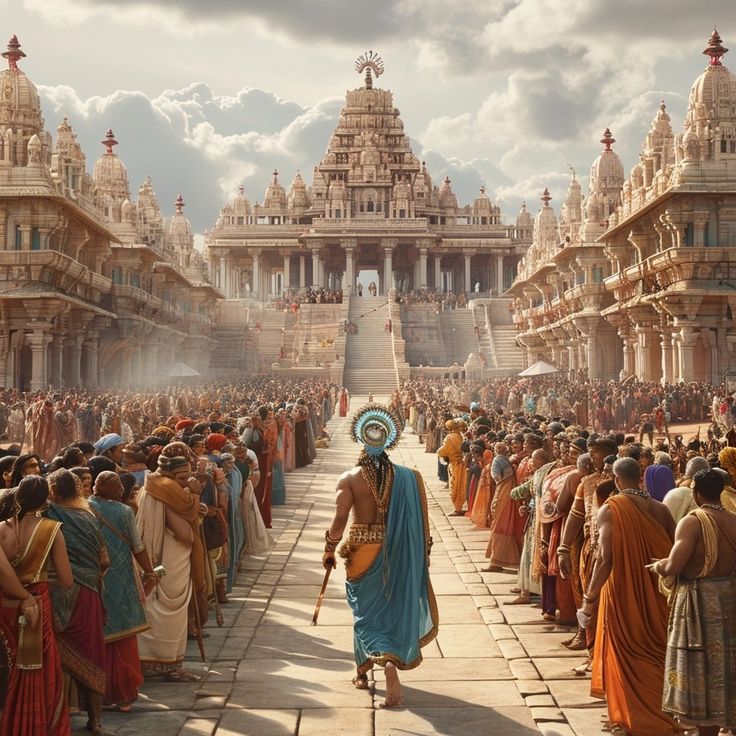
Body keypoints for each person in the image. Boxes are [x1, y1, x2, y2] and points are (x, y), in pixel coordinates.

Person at [322, 404, 437, 708]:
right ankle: (381, 662)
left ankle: (372, 668)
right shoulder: (408, 478)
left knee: (364, 612)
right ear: (388, 439)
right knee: (391, 608)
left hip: (362, 549)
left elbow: (339, 521)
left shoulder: (349, 478)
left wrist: (329, 549)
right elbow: (422, 528)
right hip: (398, 549)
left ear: (362, 438)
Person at [579, 457, 677, 736]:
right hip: (659, 595)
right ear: (642, 477)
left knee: (627, 653)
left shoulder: (610, 509)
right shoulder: (661, 510)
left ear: (616, 479)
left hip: (622, 593)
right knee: (656, 652)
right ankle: (664, 715)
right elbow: (674, 554)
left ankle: (632, 718)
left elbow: (605, 559)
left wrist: (589, 597)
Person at [650, 468, 736, 735]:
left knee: (699, 666)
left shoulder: (693, 521)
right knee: (725, 664)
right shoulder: (734, 520)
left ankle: (703, 728)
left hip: (697, 602)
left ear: (696, 493)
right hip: (728, 600)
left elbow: (675, 565)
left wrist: (658, 566)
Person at [0, 475, 73, 736]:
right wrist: (41, 573)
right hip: (36, 607)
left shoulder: (2, 528)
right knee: (35, 670)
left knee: (9, 668)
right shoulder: (51, 529)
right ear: (45, 498)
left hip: (5, 604)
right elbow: (66, 580)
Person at [45, 468, 110, 736]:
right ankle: (95, 722)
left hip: (53, 591)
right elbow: (105, 560)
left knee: (50, 656)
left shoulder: (46, 516)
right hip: (88, 593)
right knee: (93, 654)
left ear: (53, 492)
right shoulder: (89, 516)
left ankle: (51, 718)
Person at [88, 471, 158, 712]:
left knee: (98, 632)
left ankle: (98, 692)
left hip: (92, 578)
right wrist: (150, 571)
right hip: (121, 577)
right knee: (125, 634)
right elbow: (137, 546)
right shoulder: (124, 512)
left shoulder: (83, 508)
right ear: (103, 487)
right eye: (116, 486)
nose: (121, 490)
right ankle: (124, 693)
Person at [136, 443, 205, 682]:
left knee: (154, 610)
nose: (186, 482)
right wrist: (195, 497)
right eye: (182, 477)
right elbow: (185, 535)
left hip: (158, 560)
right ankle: (168, 664)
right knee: (168, 612)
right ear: (169, 474)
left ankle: (149, 661)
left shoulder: (152, 484)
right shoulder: (167, 490)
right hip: (169, 562)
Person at [437, 419, 467, 516]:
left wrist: (439, 451)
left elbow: (442, 450)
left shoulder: (449, 438)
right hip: (462, 464)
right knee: (461, 485)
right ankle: (459, 506)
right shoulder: (460, 436)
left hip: (454, 465)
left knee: (455, 486)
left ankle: (457, 508)